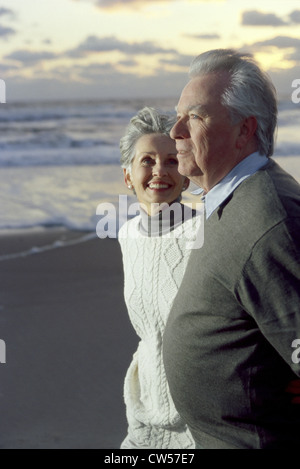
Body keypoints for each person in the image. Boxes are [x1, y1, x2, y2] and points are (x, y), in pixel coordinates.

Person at [163, 49, 300, 449]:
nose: (176, 132)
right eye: (178, 115)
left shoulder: (269, 221)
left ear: (244, 130)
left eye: (195, 117)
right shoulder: (228, 198)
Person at [117, 106, 201, 449]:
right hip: (143, 409)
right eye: (147, 160)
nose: (158, 171)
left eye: (170, 161)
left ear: (184, 175)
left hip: (199, 415)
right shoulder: (126, 235)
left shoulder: (205, 231)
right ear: (127, 175)